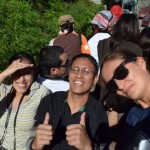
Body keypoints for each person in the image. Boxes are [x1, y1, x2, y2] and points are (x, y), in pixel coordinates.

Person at [27, 54, 108, 150]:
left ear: (95, 79)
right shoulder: (50, 101)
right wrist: (35, 144)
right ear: (69, 74)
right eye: (75, 69)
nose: (79, 75)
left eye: (86, 71)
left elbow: (103, 146)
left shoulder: (98, 110)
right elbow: (32, 137)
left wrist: (87, 147)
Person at [0, 52, 50, 150]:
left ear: (34, 72)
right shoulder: (4, 91)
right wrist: (5, 72)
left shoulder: (40, 92)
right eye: (17, 73)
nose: (22, 79)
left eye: (27, 73)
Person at [101, 50, 150, 149]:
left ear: (140, 63)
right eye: (112, 86)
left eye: (121, 72)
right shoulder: (132, 118)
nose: (119, 86)